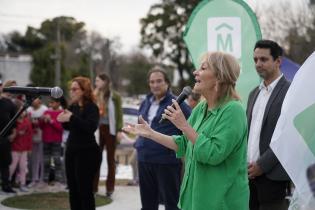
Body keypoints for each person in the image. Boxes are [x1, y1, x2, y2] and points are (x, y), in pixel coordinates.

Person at [124, 52, 249, 210]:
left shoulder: (233, 110)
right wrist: (150, 133)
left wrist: (184, 125)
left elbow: (213, 153)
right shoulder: (201, 108)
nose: (195, 72)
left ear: (219, 77)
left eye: (203, 68)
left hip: (220, 202)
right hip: (194, 200)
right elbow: (184, 143)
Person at [133, 66, 191, 210]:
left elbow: (190, 126)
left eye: (159, 81)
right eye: (152, 82)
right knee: (147, 204)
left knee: (172, 204)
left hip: (167, 162)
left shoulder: (177, 103)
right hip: (144, 159)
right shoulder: (145, 102)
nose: (155, 85)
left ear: (167, 83)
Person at [247, 40, 291, 210]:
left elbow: (287, 137)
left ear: (278, 61)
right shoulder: (253, 94)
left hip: (273, 178)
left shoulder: (289, 92)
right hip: (248, 177)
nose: (258, 64)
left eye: (263, 59)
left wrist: (262, 165)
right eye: (255, 60)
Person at [57, 76, 101, 210]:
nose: (71, 92)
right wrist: (64, 120)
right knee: (73, 190)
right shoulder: (73, 106)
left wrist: (71, 117)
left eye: (75, 89)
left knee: (85, 191)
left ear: (84, 91)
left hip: (87, 152)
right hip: (72, 150)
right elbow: (70, 127)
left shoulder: (92, 107)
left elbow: (90, 127)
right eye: (71, 89)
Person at [93, 73, 123, 197]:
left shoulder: (114, 96)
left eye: (98, 80)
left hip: (110, 129)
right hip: (97, 129)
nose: (96, 83)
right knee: (95, 159)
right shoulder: (94, 94)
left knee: (110, 160)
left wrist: (119, 130)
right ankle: (93, 188)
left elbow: (119, 114)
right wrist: (94, 94)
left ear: (105, 82)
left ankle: (109, 188)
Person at [39, 97, 64, 186]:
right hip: (46, 139)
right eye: (50, 103)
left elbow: (61, 128)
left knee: (57, 160)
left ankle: (58, 180)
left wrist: (51, 121)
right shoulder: (46, 112)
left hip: (56, 140)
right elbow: (41, 127)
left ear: (58, 103)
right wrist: (42, 120)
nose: (50, 104)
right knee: (46, 160)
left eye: (52, 102)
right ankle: (45, 180)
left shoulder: (62, 113)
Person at [9, 106, 33, 192]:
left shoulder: (27, 122)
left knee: (23, 167)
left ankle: (22, 184)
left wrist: (29, 148)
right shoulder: (13, 122)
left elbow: (30, 136)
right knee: (12, 166)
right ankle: (7, 183)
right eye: (20, 111)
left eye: (23, 111)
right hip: (15, 149)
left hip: (24, 149)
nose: (22, 113)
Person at [0, 79, 18, 194]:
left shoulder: (9, 103)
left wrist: (14, 132)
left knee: (5, 163)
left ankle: (6, 185)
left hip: (4, 138)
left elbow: (14, 119)